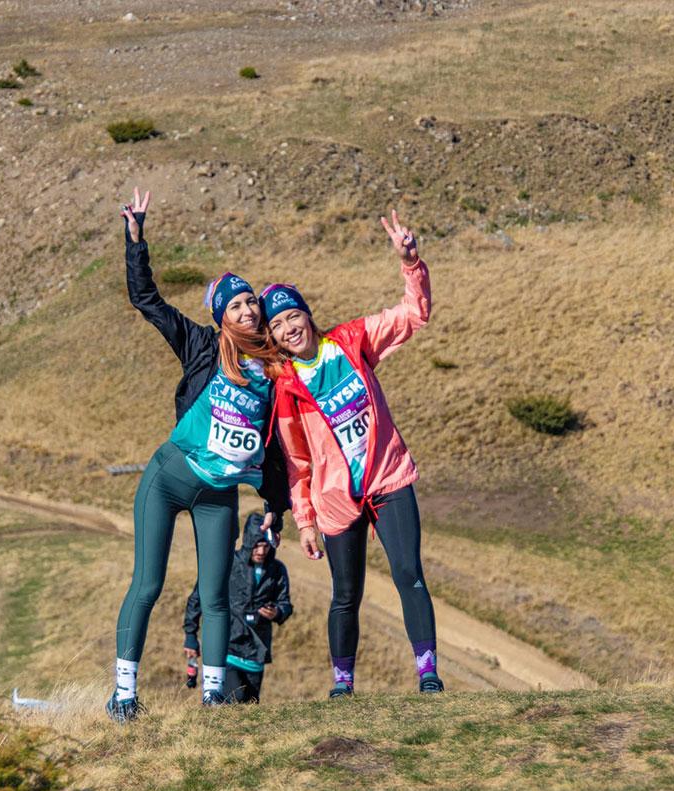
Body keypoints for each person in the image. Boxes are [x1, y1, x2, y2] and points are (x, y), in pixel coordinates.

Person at [109, 188, 289, 722]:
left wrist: (278, 502)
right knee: (148, 585)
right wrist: (136, 239)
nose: (249, 309)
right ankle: (123, 694)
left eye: (252, 301)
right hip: (167, 480)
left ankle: (213, 699)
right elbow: (148, 302)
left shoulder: (278, 370)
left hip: (218, 495)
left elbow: (276, 446)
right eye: (236, 304)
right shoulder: (202, 346)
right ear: (221, 316)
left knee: (216, 597)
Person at [261, 210, 442, 698]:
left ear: (307, 314)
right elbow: (297, 465)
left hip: (388, 479)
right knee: (346, 596)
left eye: (293, 315)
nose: (289, 327)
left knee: (410, 576)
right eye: (278, 325)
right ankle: (342, 685)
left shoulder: (350, 341)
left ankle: (428, 674)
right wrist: (304, 521)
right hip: (336, 501)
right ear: (273, 337)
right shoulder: (287, 389)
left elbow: (413, 315)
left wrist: (411, 264)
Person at [182, 511, 293, 703]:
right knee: (232, 701)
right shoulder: (228, 563)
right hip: (227, 648)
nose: (261, 551)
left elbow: (285, 603)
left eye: (265, 546)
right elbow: (198, 597)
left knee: (249, 708)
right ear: (248, 542)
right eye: (256, 545)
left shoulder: (277, 570)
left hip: (257, 651)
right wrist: (191, 635)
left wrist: (278, 612)